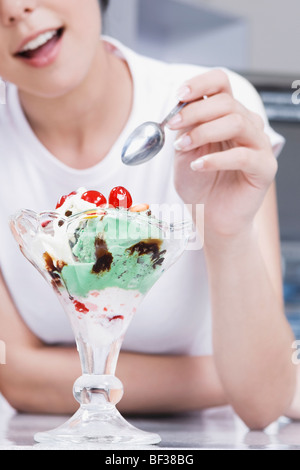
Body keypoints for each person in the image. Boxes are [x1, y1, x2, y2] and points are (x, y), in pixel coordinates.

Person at [0, 0, 298, 430]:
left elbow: (262, 403)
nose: (14, 9)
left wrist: (226, 231)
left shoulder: (208, 110)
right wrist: (235, 377)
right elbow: (19, 378)